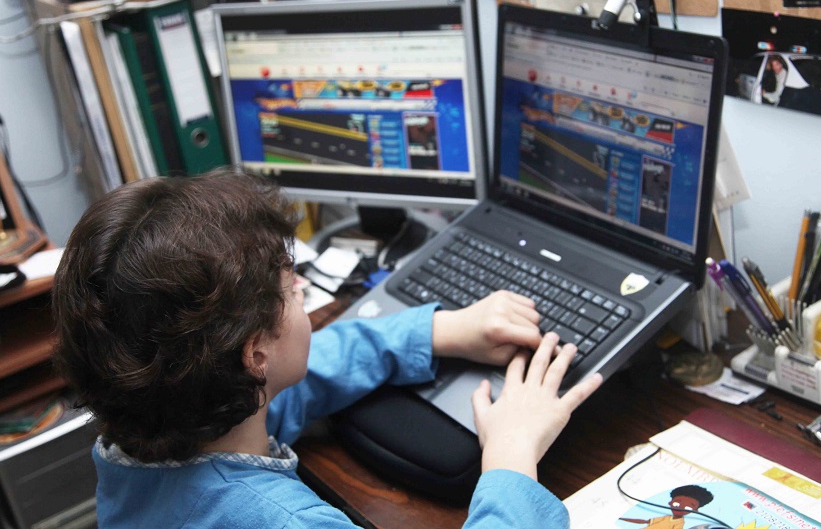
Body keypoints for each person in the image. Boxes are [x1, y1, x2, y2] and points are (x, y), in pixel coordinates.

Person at [52, 169, 603, 528]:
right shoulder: (287, 522)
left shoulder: (146, 438)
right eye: (292, 287)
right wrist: (511, 454)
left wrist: (434, 331)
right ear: (254, 355)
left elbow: (306, 373)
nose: (301, 290)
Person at [620, 484, 715, 528]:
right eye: (676, 504)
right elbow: (645, 521)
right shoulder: (666, 517)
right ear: (670, 502)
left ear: (696, 510)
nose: (680, 508)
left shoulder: (679, 524)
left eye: (688, 507)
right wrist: (622, 518)